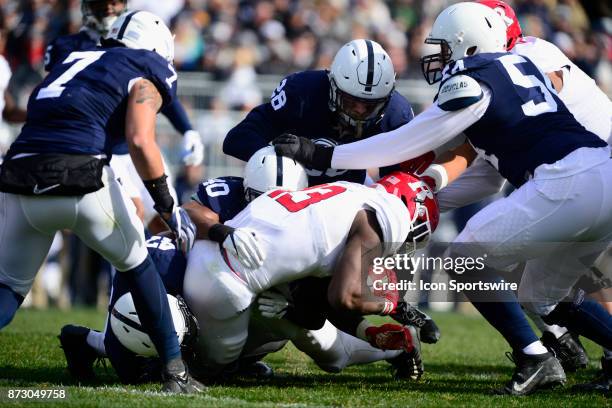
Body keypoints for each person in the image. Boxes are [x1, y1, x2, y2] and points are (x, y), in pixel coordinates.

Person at [274, 2, 612, 395]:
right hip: (599, 173)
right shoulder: (522, 67)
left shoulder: (475, 78)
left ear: (469, 46)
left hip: (566, 180)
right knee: (543, 294)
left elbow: (408, 140)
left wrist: (324, 155)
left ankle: (533, 357)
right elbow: (489, 173)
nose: (438, 57)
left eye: (444, 47)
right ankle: (547, 351)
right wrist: (432, 193)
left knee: (463, 258)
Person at [59, 148, 422, 382]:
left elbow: (326, 297)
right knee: (147, 350)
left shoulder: (309, 224)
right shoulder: (227, 195)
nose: (269, 208)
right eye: (262, 199)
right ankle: (94, 343)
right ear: (247, 189)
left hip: (260, 299)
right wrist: (221, 230)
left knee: (320, 344)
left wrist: (297, 302)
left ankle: (392, 347)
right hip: (187, 279)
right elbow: (190, 209)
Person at [0, 11, 202, 393]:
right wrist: (167, 204)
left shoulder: (73, 56)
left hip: (18, 172)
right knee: (138, 264)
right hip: (80, 175)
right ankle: (175, 371)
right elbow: (140, 139)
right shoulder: (147, 64)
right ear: (160, 46)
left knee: (7, 291)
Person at [183, 170, 438, 372]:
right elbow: (344, 297)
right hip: (229, 281)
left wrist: (374, 325)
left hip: (211, 256)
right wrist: (387, 303)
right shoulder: (387, 216)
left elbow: (318, 307)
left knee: (315, 335)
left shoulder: (347, 194)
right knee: (209, 367)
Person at [45, 0, 204, 222]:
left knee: (167, 221)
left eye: (115, 2)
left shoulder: (139, 38)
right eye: (102, 2)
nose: (108, 7)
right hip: (97, 146)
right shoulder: (67, 46)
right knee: (127, 215)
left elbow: (151, 90)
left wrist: (187, 129)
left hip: (130, 147)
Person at [223, 39, 414, 187]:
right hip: (291, 191)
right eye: (350, 101)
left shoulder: (395, 114)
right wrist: (281, 160)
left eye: (370, 105)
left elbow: (398, 182)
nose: (360, 111)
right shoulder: (303, 92)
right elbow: (238, 139)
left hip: (351, 193)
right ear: (333, 86)